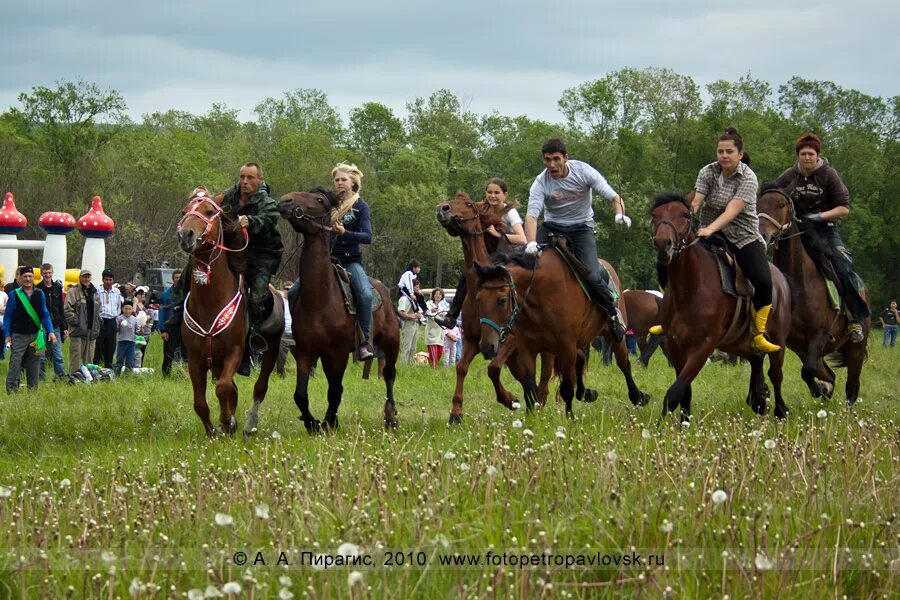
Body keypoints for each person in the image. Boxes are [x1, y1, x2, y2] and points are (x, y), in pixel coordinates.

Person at [666, 128, 780, 353]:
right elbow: (697, 199)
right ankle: (667, 317)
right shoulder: (708, 172)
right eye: (720, 151)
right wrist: (688, 213)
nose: (724, 156)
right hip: (709, 233)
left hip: (743, 237)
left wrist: (709, 229)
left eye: (729, 151)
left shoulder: (749, 178)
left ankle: (758, 333)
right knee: (669, 260)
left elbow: (731, 211)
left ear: (740, 154)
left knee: (764, 282)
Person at [523, 138, 630, 341]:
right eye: (547, 160)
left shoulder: (583, 171)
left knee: (591, 275)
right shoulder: (540, 182)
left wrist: (619, 215)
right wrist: (530, 243)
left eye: (556, 159)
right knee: (526, 267)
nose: (552, 165)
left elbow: (614, 197)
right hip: (552, 227)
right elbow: (531, 216)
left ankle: (613, 313)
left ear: (566, 158)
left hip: (581, 229)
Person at [775, 132, 871, 343]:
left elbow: (844, 208)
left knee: (842, 267)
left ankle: (854, 318)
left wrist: (819, 216)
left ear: (817, 155)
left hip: (826, 230)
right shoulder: (790, 174)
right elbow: (774, 193)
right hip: (798, 231)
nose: (807, 158)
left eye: (810, 154)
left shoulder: (829, 175)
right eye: (803, 154)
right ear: (798, 156)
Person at [436, 178, 527, 328]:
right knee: (467, 274)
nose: (492, 196)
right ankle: (452, 316)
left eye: (497, 193)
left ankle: (523, 315)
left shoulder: (510, 213)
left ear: (504, 195)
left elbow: (522, 238)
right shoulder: (481, 208)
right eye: (489, 192)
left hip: (509, 254)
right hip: (488, 255)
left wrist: (498, 234)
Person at [220, 163, 284, 372]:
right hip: (234, 252)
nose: (245, 182)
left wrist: (251, 221)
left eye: (250, 178)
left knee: (256, 297)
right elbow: (214, 205)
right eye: (242, 177)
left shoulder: (267, 202)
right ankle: (178, 307)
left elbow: (268, 220)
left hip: (261, 257)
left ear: (260, 180)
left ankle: (253, 338)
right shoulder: (230, 195)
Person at [329, 163, 376, 360]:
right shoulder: (329, 204)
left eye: (343, 180)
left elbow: (367, 236)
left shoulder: (360, 206)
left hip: (350, 262)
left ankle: (364, 342)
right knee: (297, 290)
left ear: (352, 182)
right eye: (337, 180)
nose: (339, 183)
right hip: (327, 260)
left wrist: (345, 233)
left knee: (365, 295)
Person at [3, 266, 57, 393]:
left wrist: (50, 331)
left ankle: (32, 391)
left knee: (34, 364)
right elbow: (8, 317)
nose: (28, 279)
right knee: (15, 364)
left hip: (35, 335)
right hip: (18, 335)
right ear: (20, 278)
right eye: (25, 276)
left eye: (30, 276)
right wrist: (7, 335)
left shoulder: (40, 294)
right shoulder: (14, 294)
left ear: (34, 278)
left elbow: (44, 314)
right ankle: (12, 391)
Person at [64, 269, 101, 375]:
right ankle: (74, 378)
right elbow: (67, 309)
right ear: (80, 278)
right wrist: (77, 322)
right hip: (77, 331)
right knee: (75, 358)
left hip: (91, 331)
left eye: (88, 276)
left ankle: (87, 378)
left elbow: (99, 309)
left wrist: (98, 322)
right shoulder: (73, 291)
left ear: (91, 278)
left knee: (89, 359)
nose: (86, 279)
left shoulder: (95, 292)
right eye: (84, 276)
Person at [36, 263, 67, 381]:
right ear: (41, 274)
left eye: (49, 272)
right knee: (42, 355)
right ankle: (41, 378)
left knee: (57, 354)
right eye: (45, 273)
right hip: (42, 326)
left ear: (52, 273)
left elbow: (61, 308)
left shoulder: (58, 287)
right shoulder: (37, 289)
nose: (47, 275)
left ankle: (60, 377)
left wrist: (64, 326)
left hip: (56, 325)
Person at [94, 268, 122, 368]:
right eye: (106, 279)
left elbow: (119, 306)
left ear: (113, 280)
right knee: (98, 346)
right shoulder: (97, 290)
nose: (108, 282)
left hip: (112, 321)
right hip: (100, 321)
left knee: (111, 346)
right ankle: (95, 367)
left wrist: (117, 319)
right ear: (103, 280)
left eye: (110, 280)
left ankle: (108, 368)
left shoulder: (117, 291)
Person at [159, 269, 185, 376]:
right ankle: (166, 374)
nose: (178, 280)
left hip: (183, 328)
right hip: (170, 328)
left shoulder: (186, 294)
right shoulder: (166, 294)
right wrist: (163, 330)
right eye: (176, 278)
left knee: (183, 354)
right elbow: (161, 312)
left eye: (180, 278)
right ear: (173, 279)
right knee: (168, 353)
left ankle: (182, 374)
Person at [398, 278, 423, 364]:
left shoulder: (415, 299)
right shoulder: (404, 298)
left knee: (413, 347)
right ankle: (403, 365)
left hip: (415, 324)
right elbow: (400, 312)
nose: (417, 289)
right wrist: (410, 316)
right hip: (408, 324)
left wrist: (418, 314)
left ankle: (410, 365)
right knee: (406, 347)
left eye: (418, 287)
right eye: (416, 287)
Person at [424, 288, 449, 367]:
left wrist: (445, 315)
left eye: (440, 294)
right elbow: (427, 313)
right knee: (433, 353)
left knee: (439, 352)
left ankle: (431, 366)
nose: (438, 296)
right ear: (433, 295)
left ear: (442, 296)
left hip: (441, 332)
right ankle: (433, 369)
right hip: (432, 332)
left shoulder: (445, 304)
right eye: (436, 294)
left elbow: (448, 316)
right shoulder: (429, 303)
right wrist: (432, 311)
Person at [114, 300, 138, 375]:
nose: (127, 311)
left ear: (132, 310)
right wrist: (119, 325)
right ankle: (116, 375)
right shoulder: (119, 318)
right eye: (126, 309)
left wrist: (141, 330)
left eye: (129, 309)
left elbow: (137, 331)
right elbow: (116, 330)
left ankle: (127, 376)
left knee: (130, 361)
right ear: (122, 309)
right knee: (119, 360)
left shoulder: (134, 319)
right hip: (122, 342)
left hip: (131, 343)